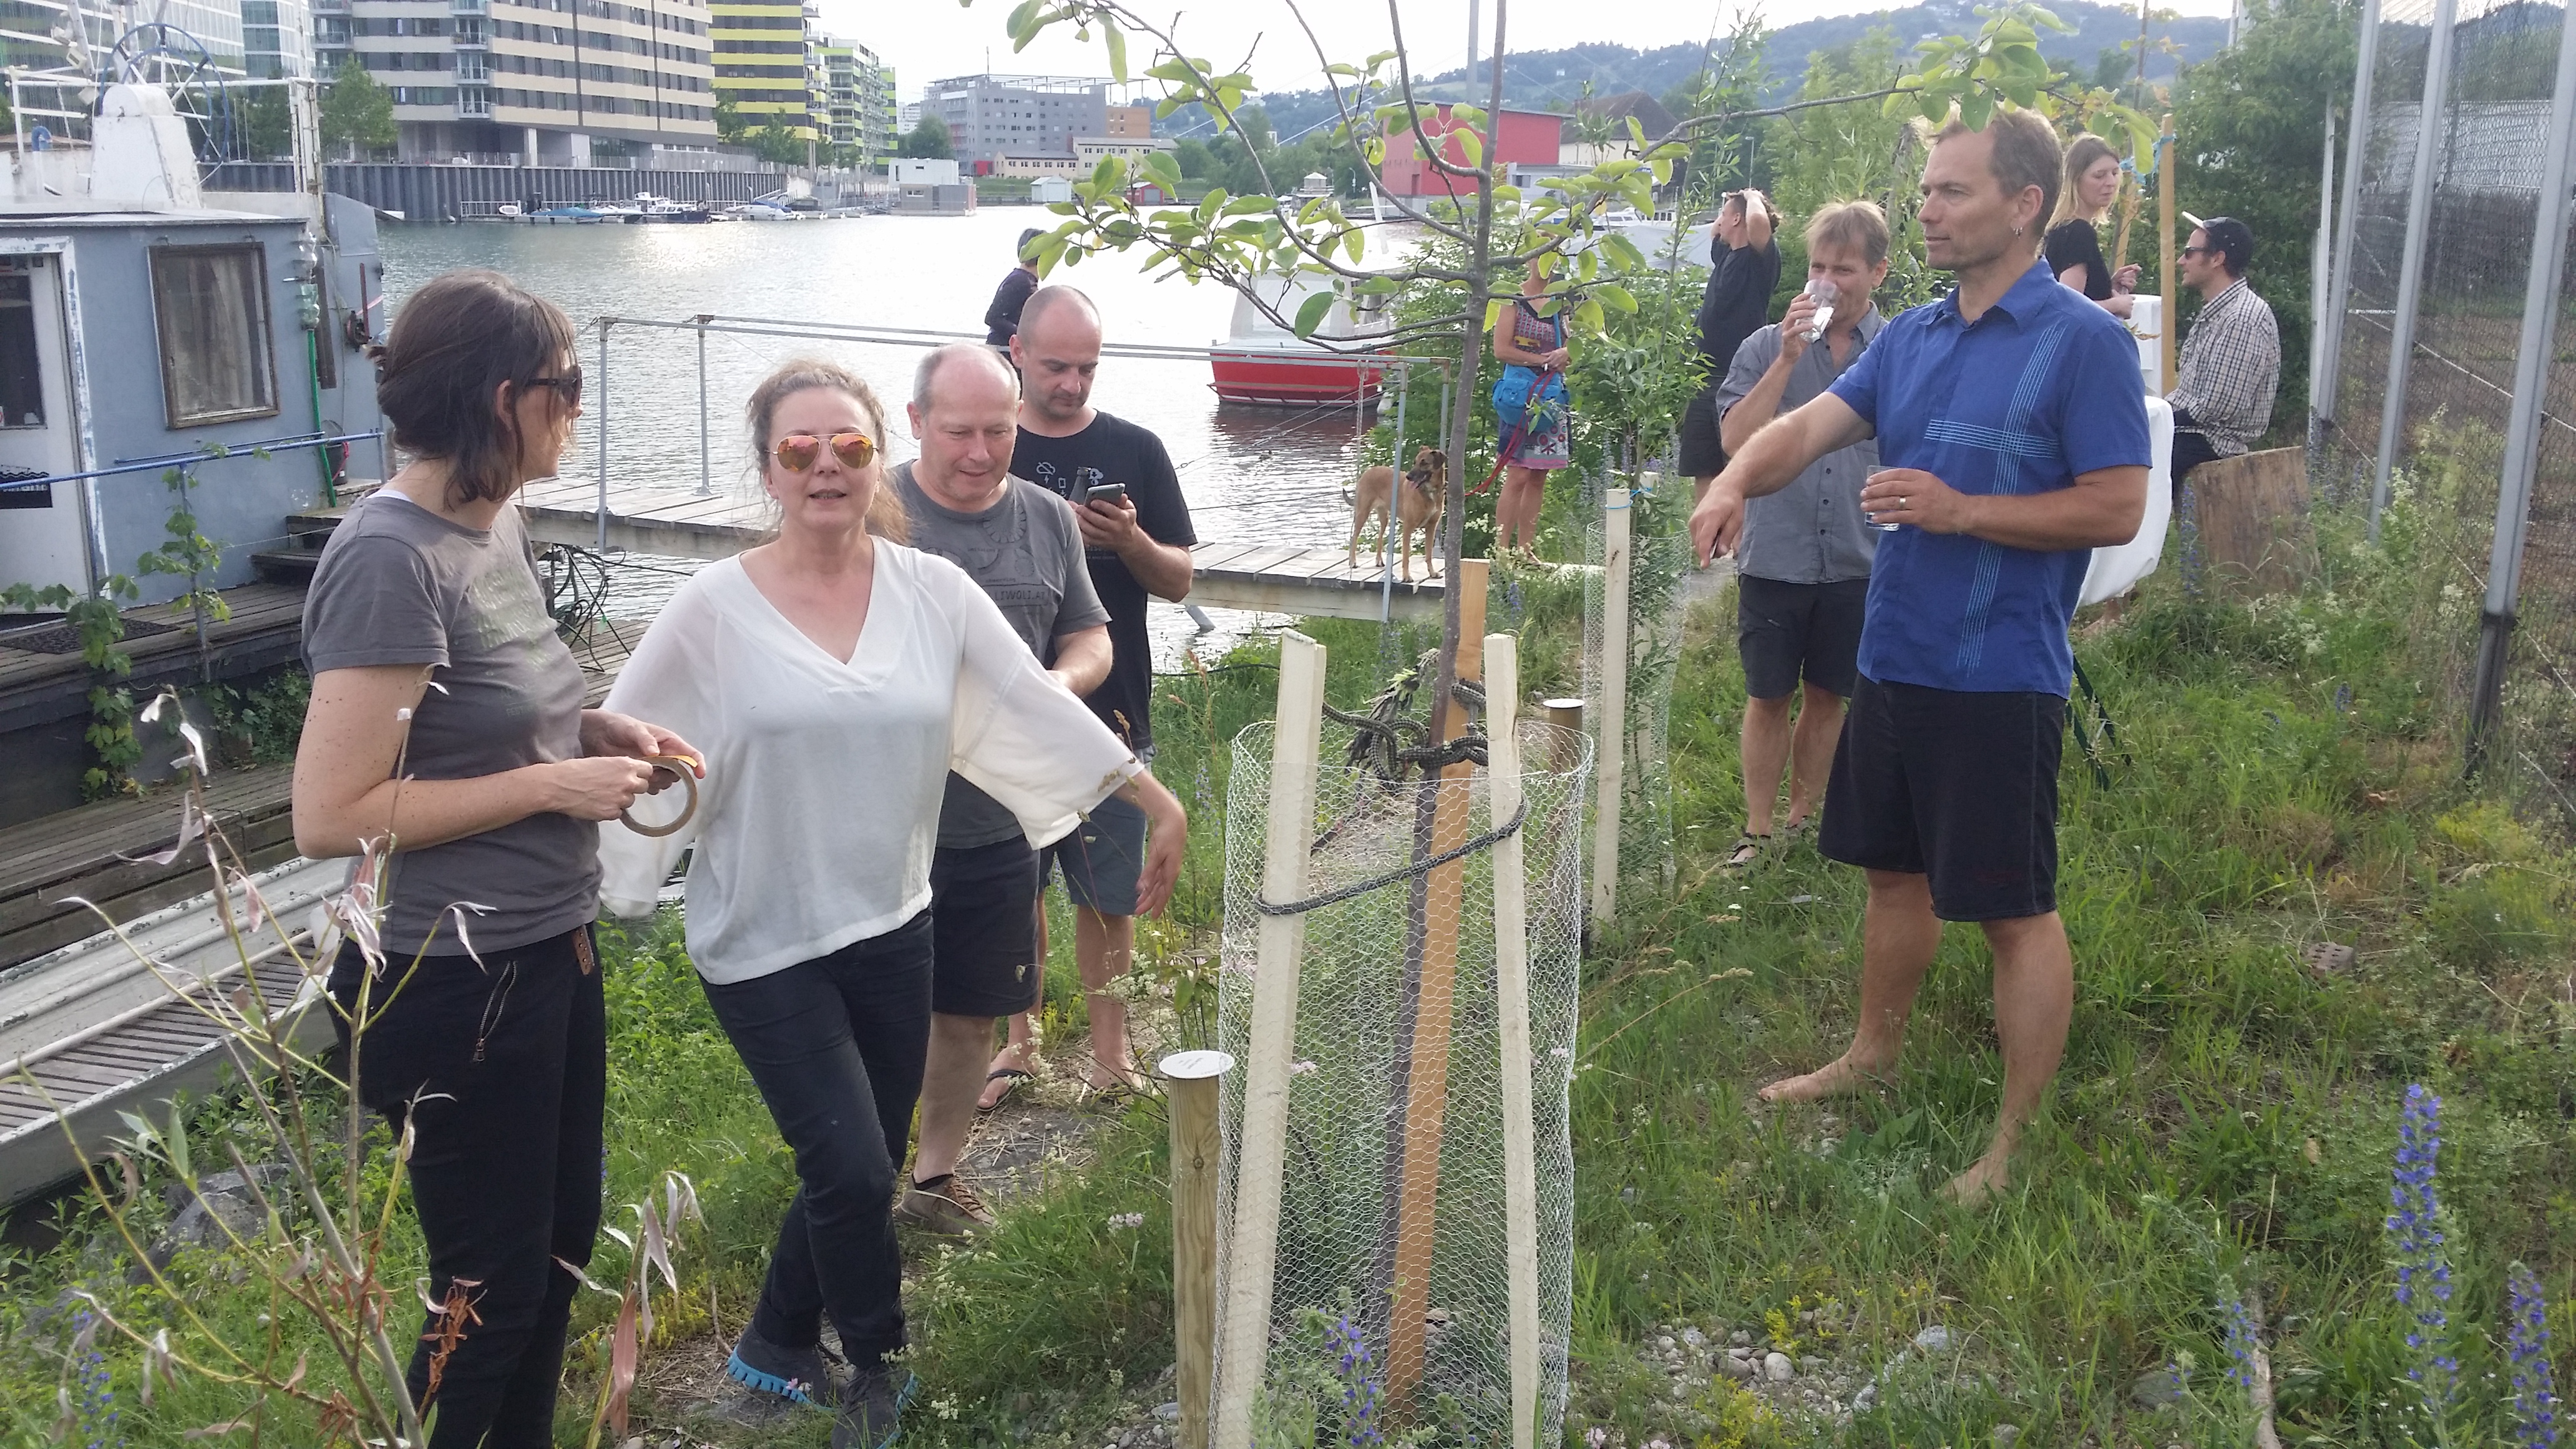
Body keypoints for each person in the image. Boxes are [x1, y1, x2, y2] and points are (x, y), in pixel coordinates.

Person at [596, 358, 1186, 1449]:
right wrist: (577, 891)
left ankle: (774, 1341)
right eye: (799, 448)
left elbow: (1025, 702)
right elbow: (626, 750)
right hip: (763, 940)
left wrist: (1153, 798)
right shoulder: (710, 610)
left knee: (857, 1153)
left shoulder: (932, 593)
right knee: (855, 1166)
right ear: (768, 468)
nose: (825, 466)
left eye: (849, 447)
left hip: (895, 919)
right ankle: (877, 1363)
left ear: (879, 460)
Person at [1689, 111, 2151, 1204]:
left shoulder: (2082, 342)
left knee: (2010, 909)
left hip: (1997, 674)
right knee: (1891, 874)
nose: (1927, 211)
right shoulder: (1913, 338)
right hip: (1892, 657)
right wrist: (1730, 480)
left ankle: (2010, 1145)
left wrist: (1960, 509)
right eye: (1927, 190)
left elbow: (2118, 506)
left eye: (1952, 192)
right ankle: (1872, 1053)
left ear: (2024, 204)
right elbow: (1803, 430)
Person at [292, 269, 698, 1449]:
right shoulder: (390, 556)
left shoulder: (493, 521)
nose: (580, 409)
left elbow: (484, 714)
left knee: (553, 1257)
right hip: (451, 976)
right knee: (486, 1288)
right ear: (505, 398)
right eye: (568, 387)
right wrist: (552, 786)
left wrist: (590, 730)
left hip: (549, 946)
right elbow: (333, 812)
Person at [891, 343, 1115, 1235]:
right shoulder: (874, 515)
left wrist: (1053, 689)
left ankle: (933, 1177)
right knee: (878, 1011)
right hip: (882, 821)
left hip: (998, 824)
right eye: (959, 432)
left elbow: (1090, 634)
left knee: (973, 1009)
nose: (980, 452)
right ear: (915, 422)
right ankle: (856, 1174)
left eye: (999, 430)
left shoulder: (1048, 518)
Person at [997, 284, 1198, 1096]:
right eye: (1056, 367)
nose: (1072, 384)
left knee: (1106, 893)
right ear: (1017, 352)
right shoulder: (986, 445)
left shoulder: (1137, 448)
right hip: (1001, 721)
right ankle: (1022, 1044)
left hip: (1112, 711)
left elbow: (1179, 579)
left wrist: (1130, 539)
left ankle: (1111, 1060)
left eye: (1087, 368)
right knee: (1012, 891)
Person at [1710, 200, 1892, 871]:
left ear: (1877, 272)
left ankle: (1805, 820)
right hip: (1777, 552)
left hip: (1858, 554)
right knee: (1768, 696)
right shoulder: (1765, 345)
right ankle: (1758, 830)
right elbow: (1734, 441)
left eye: (1843, 270)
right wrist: (1787, 359)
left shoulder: (1898, 349)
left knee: (1828, 695)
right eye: (1819, 267)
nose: (1827, 282)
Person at [1681, 188, 1783, 502]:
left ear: (1739, 219)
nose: (1719, 220)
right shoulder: (1725, 255)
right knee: (1704, 466)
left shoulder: (1760, 262)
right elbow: (1716, 231)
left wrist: (1751, 196)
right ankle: (1705, 532)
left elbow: (1759, 224)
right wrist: (1731, 203)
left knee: (1740, 463)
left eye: (1725, 214)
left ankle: (1740, 533)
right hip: (1704, 376)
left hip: (1739, 379)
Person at [2167, 215, 2281, 488]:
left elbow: (2219, 407)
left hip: (2212, 445)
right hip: (2194, 436)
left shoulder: (2242, 318)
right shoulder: (2223, 311)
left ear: (2217, 259)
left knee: (2121, 467)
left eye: (2189, 252)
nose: (2181, 261)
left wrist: (2159, 418)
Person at [1491, 256, 1575, 555]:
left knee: (1539, 475)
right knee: (1518, 475)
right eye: (1542, 254)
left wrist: (1566, 353)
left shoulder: (1560, 300)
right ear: (1530, 258)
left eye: (1554, 255)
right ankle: (1502, 552)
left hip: (1551, 397)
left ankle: (1525, 550)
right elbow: (1501, 349)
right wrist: (1542, 360)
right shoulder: (1513, 298)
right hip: (1520, 397)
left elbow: (1573, 345)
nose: (1548, 262)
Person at [2042, 134, 2141, 318]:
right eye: (2099, 176)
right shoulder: (2079, 232)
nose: (2111, 182)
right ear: (2075, 180)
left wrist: (2107, 286)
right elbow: (2067, 308)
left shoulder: (2058, 228)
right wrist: (2116, 304)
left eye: (2115, 173)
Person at [983, 227, 1045, 348]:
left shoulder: (1022, 278)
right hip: (1005, 351)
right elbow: (993, 317)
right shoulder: (1021, 281)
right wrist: (1024, 336)